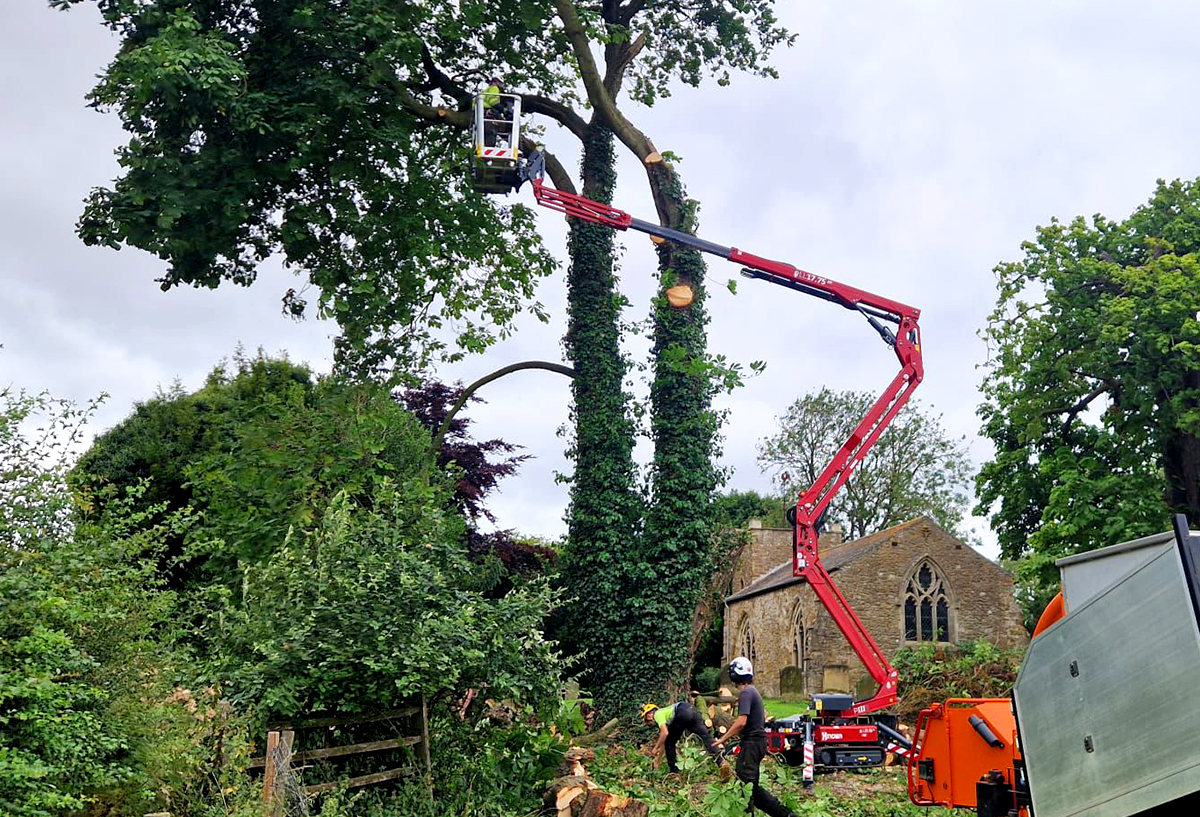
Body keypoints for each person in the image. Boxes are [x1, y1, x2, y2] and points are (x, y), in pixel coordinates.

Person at [714, 657, 797, 817]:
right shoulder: (753, 691)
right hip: (758, 743)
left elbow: (741, 722)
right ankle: (786, 815)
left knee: (744, 787)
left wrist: (722, 739)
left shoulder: (746, 692)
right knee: (752, 788)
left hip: (751, 744)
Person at [641, 700, 734, 781]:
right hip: (692, 710)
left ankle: (674, 773)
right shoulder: (667, 715)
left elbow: (664, 733)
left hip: (682, 712)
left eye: (648, 720)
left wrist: (655, 748)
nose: (650, 722)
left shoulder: (658, 714)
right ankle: (721, 762)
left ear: (649, 715)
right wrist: (657, 760)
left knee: (670, 743)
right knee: (706, 737)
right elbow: (665, 740)